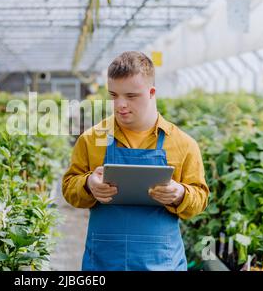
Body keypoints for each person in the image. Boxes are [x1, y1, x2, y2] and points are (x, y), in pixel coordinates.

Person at [62, 51, 209, 271]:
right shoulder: (92, 140)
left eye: (131, 96)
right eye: (114, 95)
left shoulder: (182, 144)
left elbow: (200, 198)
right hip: (104, 262)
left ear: (151, 93)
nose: (120, 104)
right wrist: (88, 184)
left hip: (162, 262)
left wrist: (180, 194)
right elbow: (69, 187)